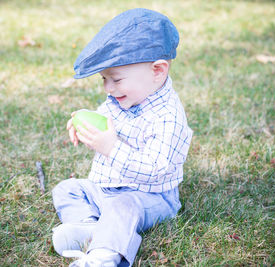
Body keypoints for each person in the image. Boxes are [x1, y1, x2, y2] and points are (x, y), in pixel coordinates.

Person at [51, 8, 193, 267]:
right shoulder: (122, 96)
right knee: (67, 189)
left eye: (115, 79)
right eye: (104, 79)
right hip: (108, 188)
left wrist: (112, 148)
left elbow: (156, 169)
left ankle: (103, 256)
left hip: (148, 197)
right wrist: (83, 121)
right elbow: (103, 117)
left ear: (158, 70)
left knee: (123, 205)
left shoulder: (168, 117)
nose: (108, 88)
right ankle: (89, 229)